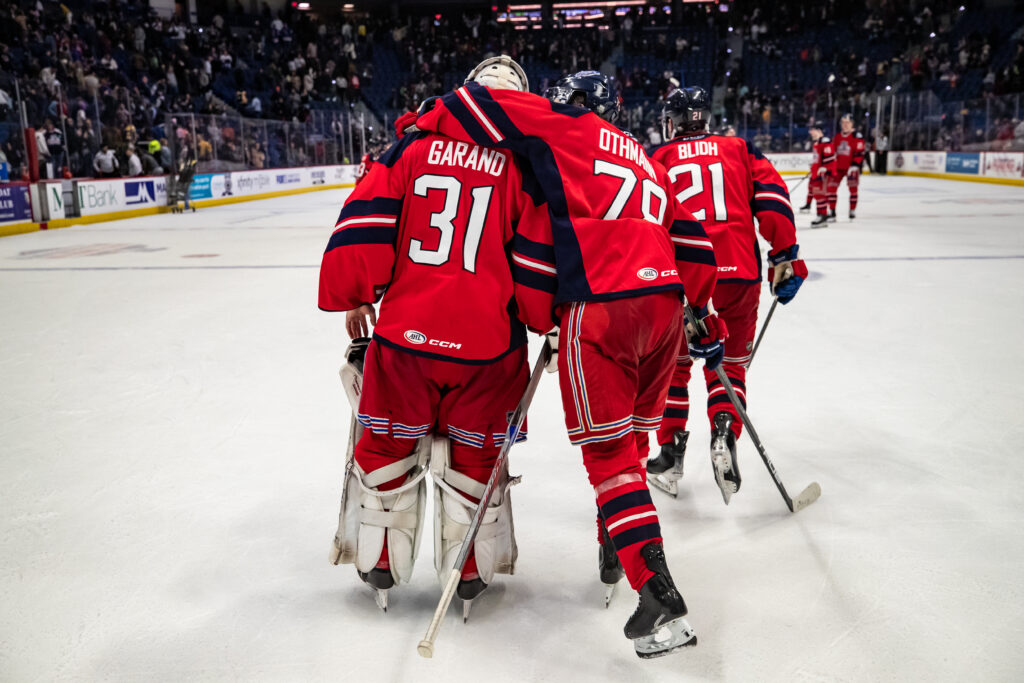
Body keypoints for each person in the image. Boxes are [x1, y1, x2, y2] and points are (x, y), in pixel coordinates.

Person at [405, 71, 723, 659]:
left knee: (609, 458)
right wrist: (701, 313)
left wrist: (423, 120)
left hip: (601, 310)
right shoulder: (644, 159)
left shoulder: (567, 128)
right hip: (665, 309)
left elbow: (480, 104)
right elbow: (698, 247)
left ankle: (657, 596)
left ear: (575, 105)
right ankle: (615, 542)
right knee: (628, 440)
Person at [319, 56, 553, 617]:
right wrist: (545, 316)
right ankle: (467, 573)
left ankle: (380, 561)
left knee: (384, 447)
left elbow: (365, 221)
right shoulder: (525, 165)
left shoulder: (413, 144)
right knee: (476, 459)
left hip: (404, 341)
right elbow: (538, 264)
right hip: (488, 349)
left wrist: (357, 292)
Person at [646, 87, 807, 502]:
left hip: (681, 278)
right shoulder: (738, 148)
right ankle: (722, 429)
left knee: (674, 369)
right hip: (740, 274)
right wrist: (784, 256)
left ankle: (669, 454)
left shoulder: (657, 158)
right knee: (731, 365)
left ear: (673, 123)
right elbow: (773, 201)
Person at [797, 121, 836, 227]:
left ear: (819, 131)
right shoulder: (817, 142)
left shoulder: (825, 141)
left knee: (820, 194)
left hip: (822, 174)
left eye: (812, 129)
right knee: (817, 193)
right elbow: (818, 159)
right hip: (816, 173)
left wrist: (824, 168)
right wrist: (813, 168)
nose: (810, 132)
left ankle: (822, 216)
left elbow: (830, 158)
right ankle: (821, 214)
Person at [832, 114, 867, 219]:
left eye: (847, 122)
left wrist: (855, 164)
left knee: (853, 189)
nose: (845, 125)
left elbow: (860, 152)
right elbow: (832, 151)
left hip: (851, 167)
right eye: (843, 122)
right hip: (838, 168)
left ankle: (852, 210)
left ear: (852, 124)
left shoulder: (857, 136)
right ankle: (832, 211)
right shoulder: (837, 136)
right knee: (831, 188)